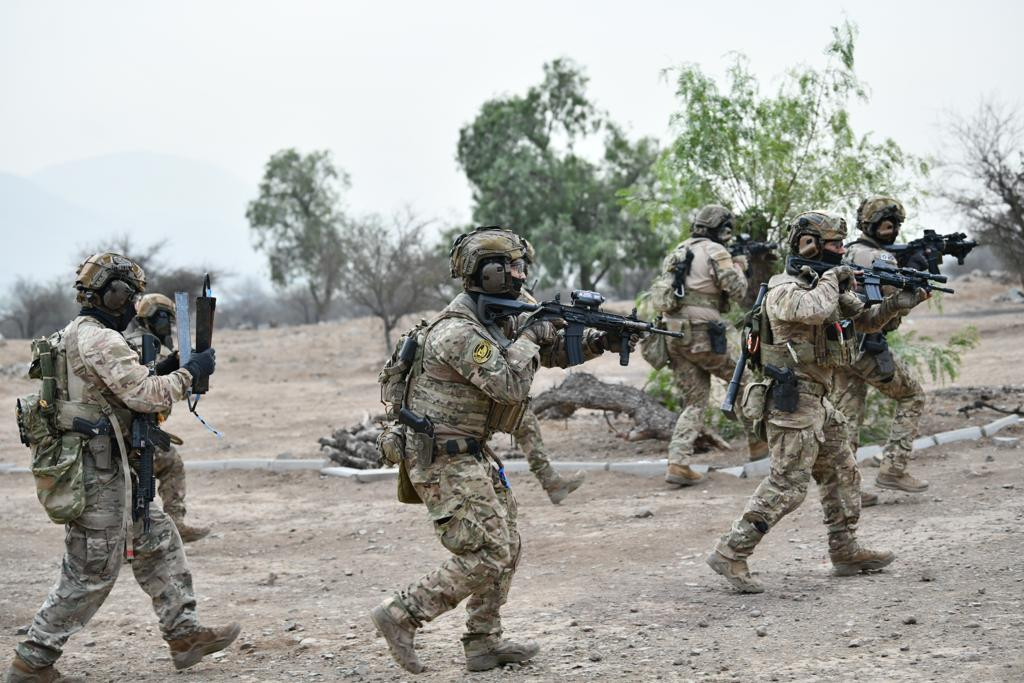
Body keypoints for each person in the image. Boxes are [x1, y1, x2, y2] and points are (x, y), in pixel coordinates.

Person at [371, 227, 634, 673]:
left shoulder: (499, 317)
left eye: (521, 265)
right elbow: (511, 384)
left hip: (470, 452)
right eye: (511, 266)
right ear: (486, 273)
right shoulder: (457, 333)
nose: (520, 273)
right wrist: (533, 334)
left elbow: (547, 354)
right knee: (488, 552)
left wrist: (596, 342)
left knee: (508, 544)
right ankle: (401, 613)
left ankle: (483, 641)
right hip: (440, 457)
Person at [7, 253, 238, 683]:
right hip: (98, 474)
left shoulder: (75, 334)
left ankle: (184, 635)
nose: (133, 305)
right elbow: (147, 397)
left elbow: (118, 386)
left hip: (110, 466)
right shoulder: (101, 339)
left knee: (158, 539)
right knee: (90, 571)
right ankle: (32, 661)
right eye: (128, 295)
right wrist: (189, 373)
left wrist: (169, 367)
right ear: (113, 295)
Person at [705, 212, 926, 593]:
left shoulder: (826, 285)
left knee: (843, 471)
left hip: (818, 400)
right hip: (788, 401)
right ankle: (731, 551)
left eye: (842, 245)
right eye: (835, 245)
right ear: (808, 245)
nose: (842, 251)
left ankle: (845, 550)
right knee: (788, 486)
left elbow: (866, 320)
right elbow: (813, 310)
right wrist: (832, 279)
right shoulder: (784, 288)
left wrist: (901, 303)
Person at [648, 204, 768, 487]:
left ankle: (678, 462)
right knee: (744, 380)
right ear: (722, 229)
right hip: (702, 334)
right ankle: (759, 448)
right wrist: (741, 265)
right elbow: (738, 291)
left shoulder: (678, 250)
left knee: (695, 401)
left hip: (673, 336)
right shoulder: (716, 252)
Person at [831, 197, 929, 493]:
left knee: (847, 414)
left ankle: (846, 488)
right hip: (867, 343)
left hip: (839, 343)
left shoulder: (844, 252)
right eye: (891, 225)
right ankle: (894, 468)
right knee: (913, 396)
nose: (894, 230)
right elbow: (895, 305)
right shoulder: (883, 259)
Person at [125, 293, 211, 541]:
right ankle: (171, 526)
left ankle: (156, 529)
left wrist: (180, 365)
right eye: (165, 319)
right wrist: (184, 370)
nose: (168, 326)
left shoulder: (142, 343)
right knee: (170, 465)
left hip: (137, 428)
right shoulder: (143, 344)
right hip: (133, 430)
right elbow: (150, 386)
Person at [511, 239, 586, 505]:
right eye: (518, 266)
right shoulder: (511, 299)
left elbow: (552, 349)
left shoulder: (518, 297)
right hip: (493, 380)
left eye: (524, 266)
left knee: (525, 422)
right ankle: (551, 482)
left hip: (506, 384)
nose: (523, 273)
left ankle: (552, 482)